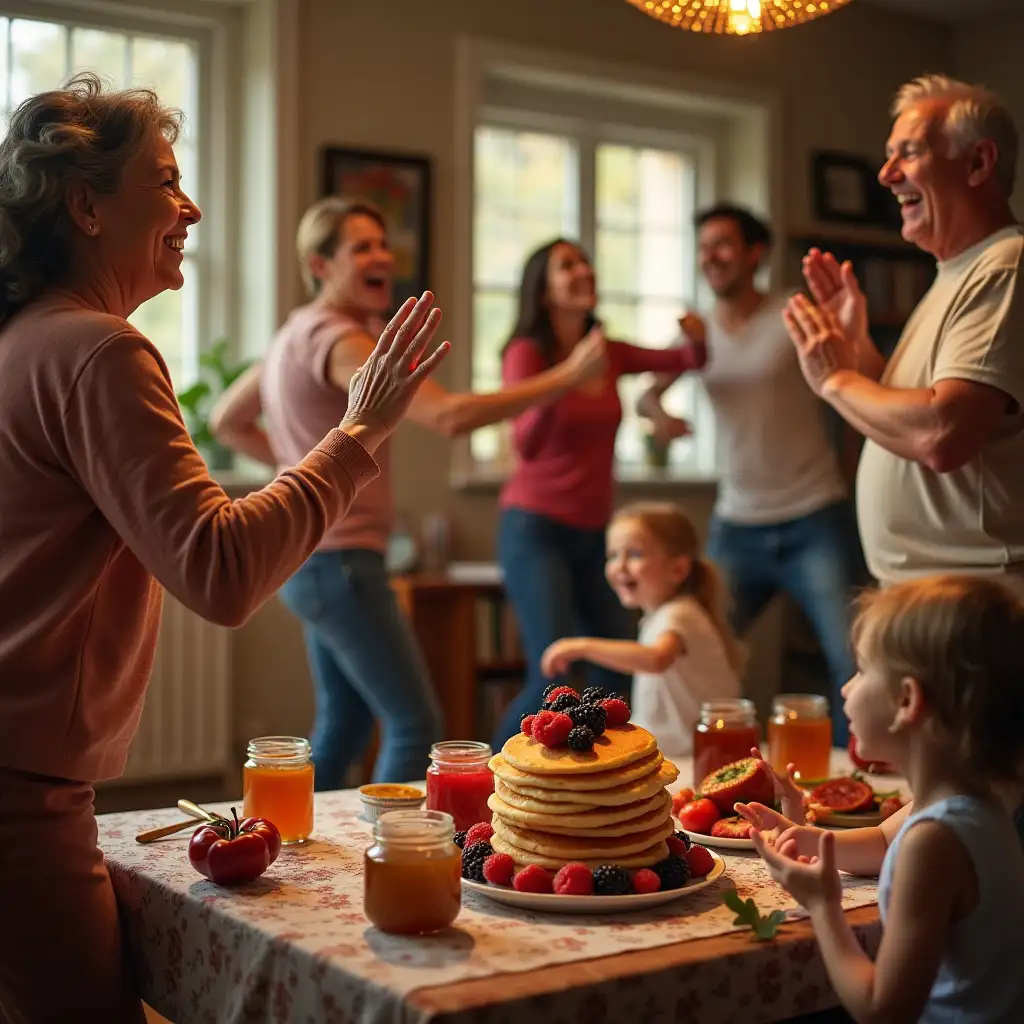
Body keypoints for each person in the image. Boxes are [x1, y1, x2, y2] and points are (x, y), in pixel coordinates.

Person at [0, 78, 449, 1022]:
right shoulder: (100, 351)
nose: (189, 207)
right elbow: (220, 569)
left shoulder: (22, 341)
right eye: (164, 183)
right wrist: (358, 432)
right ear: (86, 205)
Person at [211, 199, 607, 788]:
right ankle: (392, 862)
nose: (382, 256)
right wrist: (567, 377)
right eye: (361, 247)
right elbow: (447, 416)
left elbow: (227, 421)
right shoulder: (341, 341)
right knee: (415, 723)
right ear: (320, 265)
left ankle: (279, 841)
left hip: (309, 560)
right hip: (341, 561)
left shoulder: (294, 332)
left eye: (382, 243)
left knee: (344, 723)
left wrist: (303, 466)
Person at [783, 74, 1024, 594]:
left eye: (909, 154)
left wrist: (836, 381)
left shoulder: (1005, 266)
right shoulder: (957, 271)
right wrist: (862, 355)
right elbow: (911, 417)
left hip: (973, 598)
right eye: (889, 156)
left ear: (979, 163)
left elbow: (940, 435)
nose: (887, 175)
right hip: (930, 594)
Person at [746, 576, 1024, 1022]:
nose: (845, 689)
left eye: (861, 671)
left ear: (907, 701)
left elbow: (881, 1010)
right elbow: (879, 842)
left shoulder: (934, 842)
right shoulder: (971, 802)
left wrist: (823, 907)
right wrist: (803, 835)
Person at [637, 205, 866, 745]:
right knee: (691, 650)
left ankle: (858, 786)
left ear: (754, 253)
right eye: (703, 247)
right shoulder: (698, 330)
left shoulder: (793, 310)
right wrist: (661, 418)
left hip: (815, 513)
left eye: (722, 244)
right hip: (738, 524)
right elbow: (647, 396)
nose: (709, 257)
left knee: (852, 663)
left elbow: (848, 376)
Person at [492, 240, 707, 746]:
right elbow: (524, 442)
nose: (584, 270)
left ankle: (598, 791)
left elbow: (685, 358)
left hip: (597, 538)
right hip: (535, 531)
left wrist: (695, 338)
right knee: (554, 677)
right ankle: (487, 779)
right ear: (543, 291)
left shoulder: (606, 351)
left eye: (586, 261)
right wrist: (564, 380)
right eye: (568, 265)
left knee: (616, 678)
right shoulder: (527, 353)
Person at [540, 501, 743, 761]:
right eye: (612, 555)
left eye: (635, 554)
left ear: (678, 570)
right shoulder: (660, 616)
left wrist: (581, 646)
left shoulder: (680, 614)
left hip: (692, 759)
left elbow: (656, 659)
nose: (619, 567)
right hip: (678, 752)